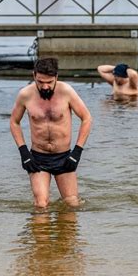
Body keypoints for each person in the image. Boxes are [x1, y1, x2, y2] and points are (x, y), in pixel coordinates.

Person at [10, 58, 92, 208]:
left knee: (72, 203)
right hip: (38, 158)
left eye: (49, 82)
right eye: (40, 82)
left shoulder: (66, 92)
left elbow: (86, 118)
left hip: (64, 157)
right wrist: (24, 153)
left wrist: (77, 152)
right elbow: (14, 122)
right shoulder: (25, 95)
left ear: (56, 77)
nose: (45, 86)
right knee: (41, 204)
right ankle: (41, 230)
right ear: (34, 75)